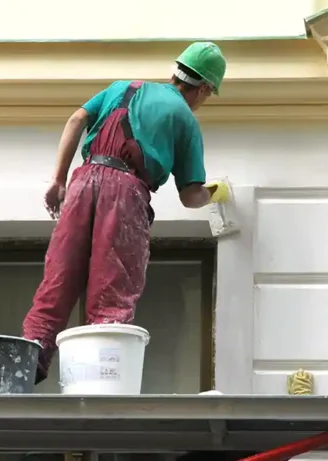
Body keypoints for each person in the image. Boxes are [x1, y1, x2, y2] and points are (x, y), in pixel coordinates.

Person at [22, 41, 231, 383]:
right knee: (112, 290)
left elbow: (76, 119)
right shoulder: (184, 119)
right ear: (205, 87)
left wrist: (58, 180)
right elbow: (190, 197)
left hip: (82, 182)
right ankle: (99, 382)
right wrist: (214, 193)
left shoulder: (122, 88)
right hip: (125, 193)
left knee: (58, 278)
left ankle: (29, 362)